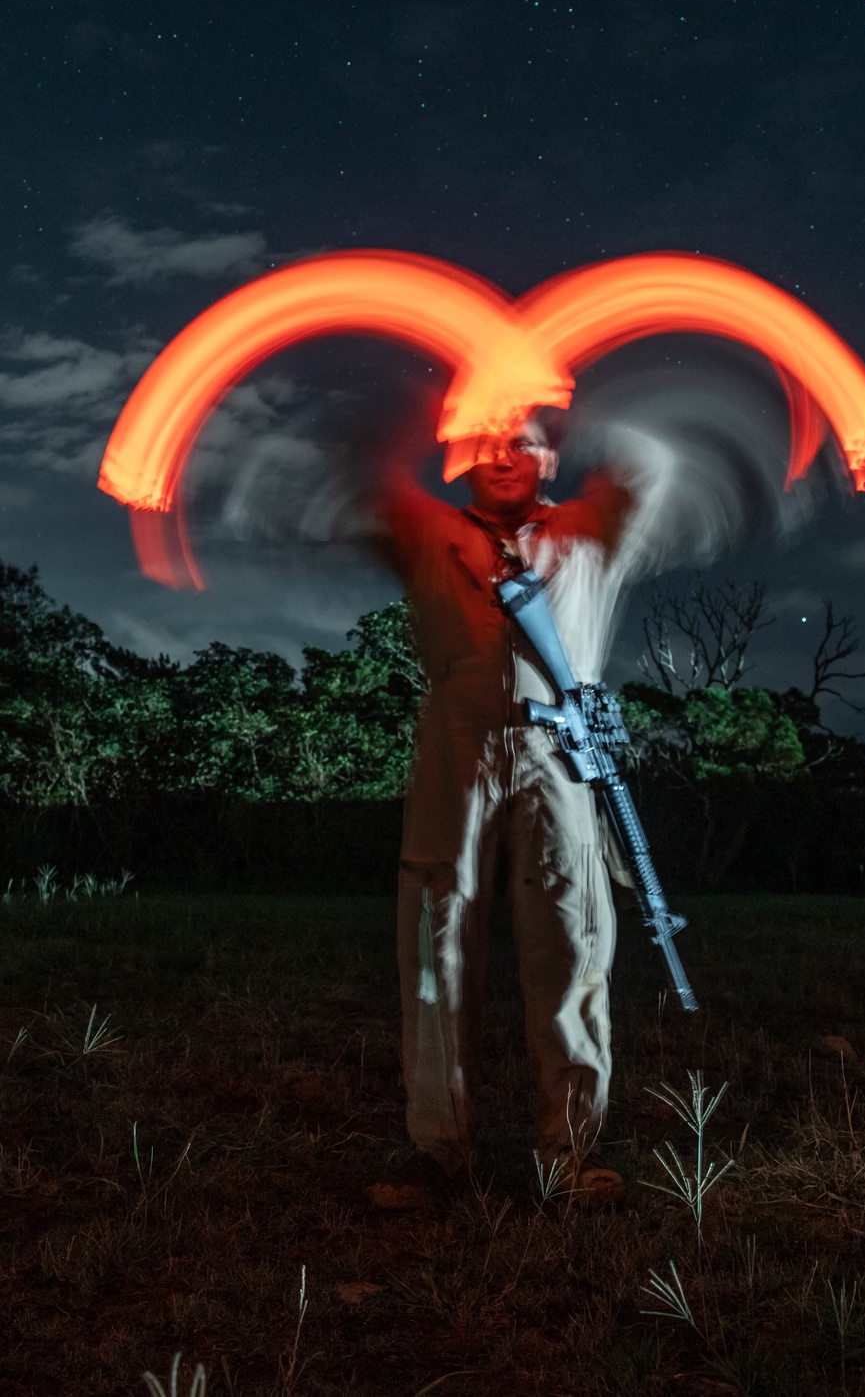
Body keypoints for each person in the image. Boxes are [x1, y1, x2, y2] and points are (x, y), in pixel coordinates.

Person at [367, 414, 666, 1210]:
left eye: (526, 439)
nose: (506, 455)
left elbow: (649, 467)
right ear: (461, 454)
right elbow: (364, 478)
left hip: (558, 746)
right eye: (488, 438)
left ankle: (569, 1155)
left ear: (554, 458)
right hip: (455, 741)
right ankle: (438, 1149)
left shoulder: (586, 531)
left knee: (572, 936)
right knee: (435, 935)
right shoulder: (430, 530)